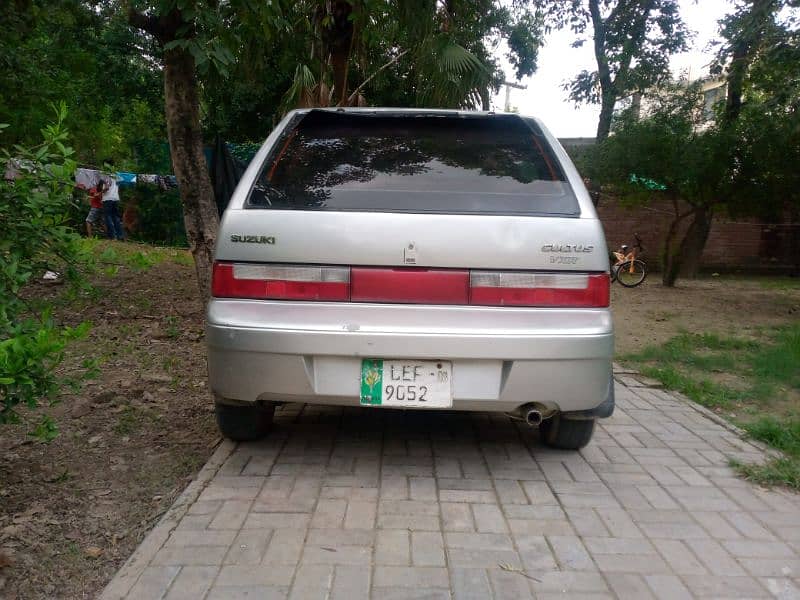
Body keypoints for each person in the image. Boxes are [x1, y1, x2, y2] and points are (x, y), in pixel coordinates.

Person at [101, 172, 124, 240]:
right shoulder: (117, 175)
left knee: (108, 216)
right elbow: (120, 183)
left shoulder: (105, 175)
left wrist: (100, 193)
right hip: (115, 198)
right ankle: (120, 235)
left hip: (108, 198)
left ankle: (112, 236)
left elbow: (107, 188)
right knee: (115, 217)